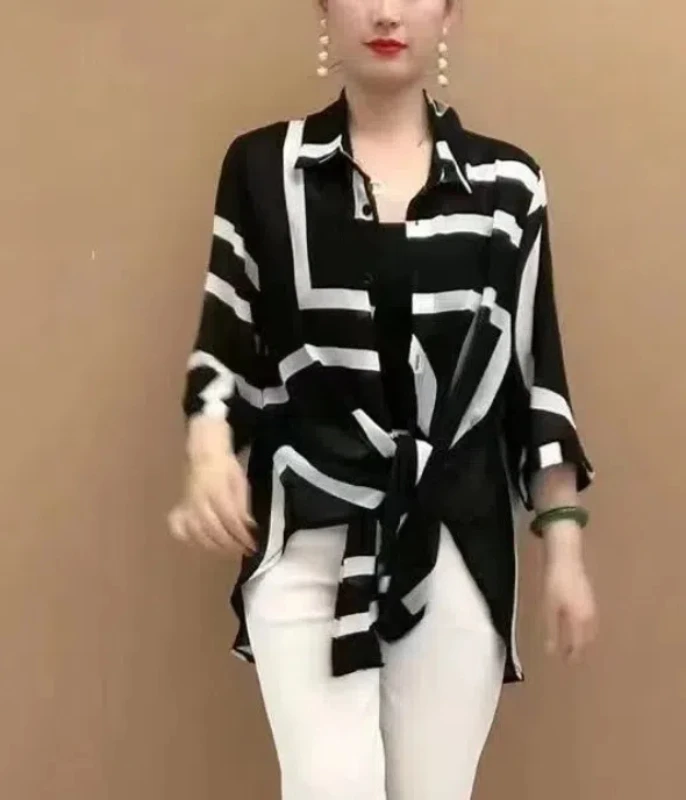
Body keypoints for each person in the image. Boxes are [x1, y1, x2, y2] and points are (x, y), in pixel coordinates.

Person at [168, 1, 598, 798]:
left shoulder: (508, 186)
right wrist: (208, 451)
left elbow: (535, 377)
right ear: (324, 10)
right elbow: (224, 343)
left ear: (450, 14)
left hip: (455, 538)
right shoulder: (266, 169)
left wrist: (563, 550)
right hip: (308, 532)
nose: (387, 11)